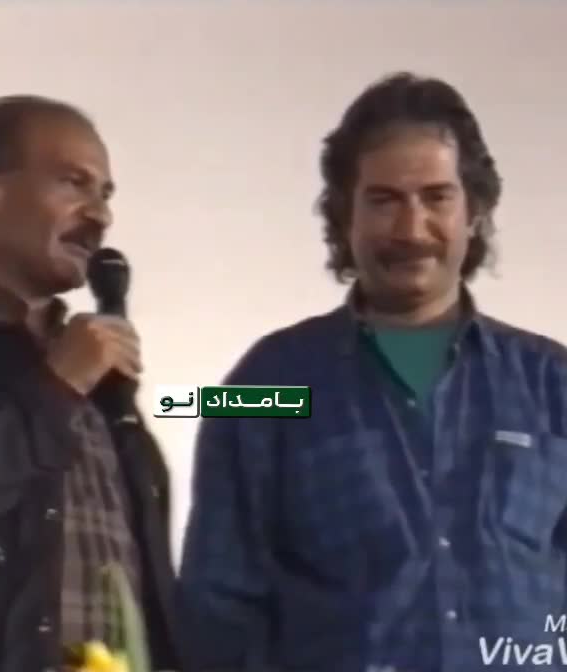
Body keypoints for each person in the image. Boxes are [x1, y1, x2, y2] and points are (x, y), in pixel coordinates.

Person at [178, 72, 567, 672]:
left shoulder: (553, 382)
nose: (411, 230)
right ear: (344, 216)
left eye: (436, 197)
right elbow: (217, 612)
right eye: (384, 200)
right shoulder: (262, 385)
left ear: (474, 212)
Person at [0, 96, 182, 672]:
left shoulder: (101, 381)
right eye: (74, 183)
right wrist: (53, 387)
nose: (101, 215)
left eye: (106, 194)